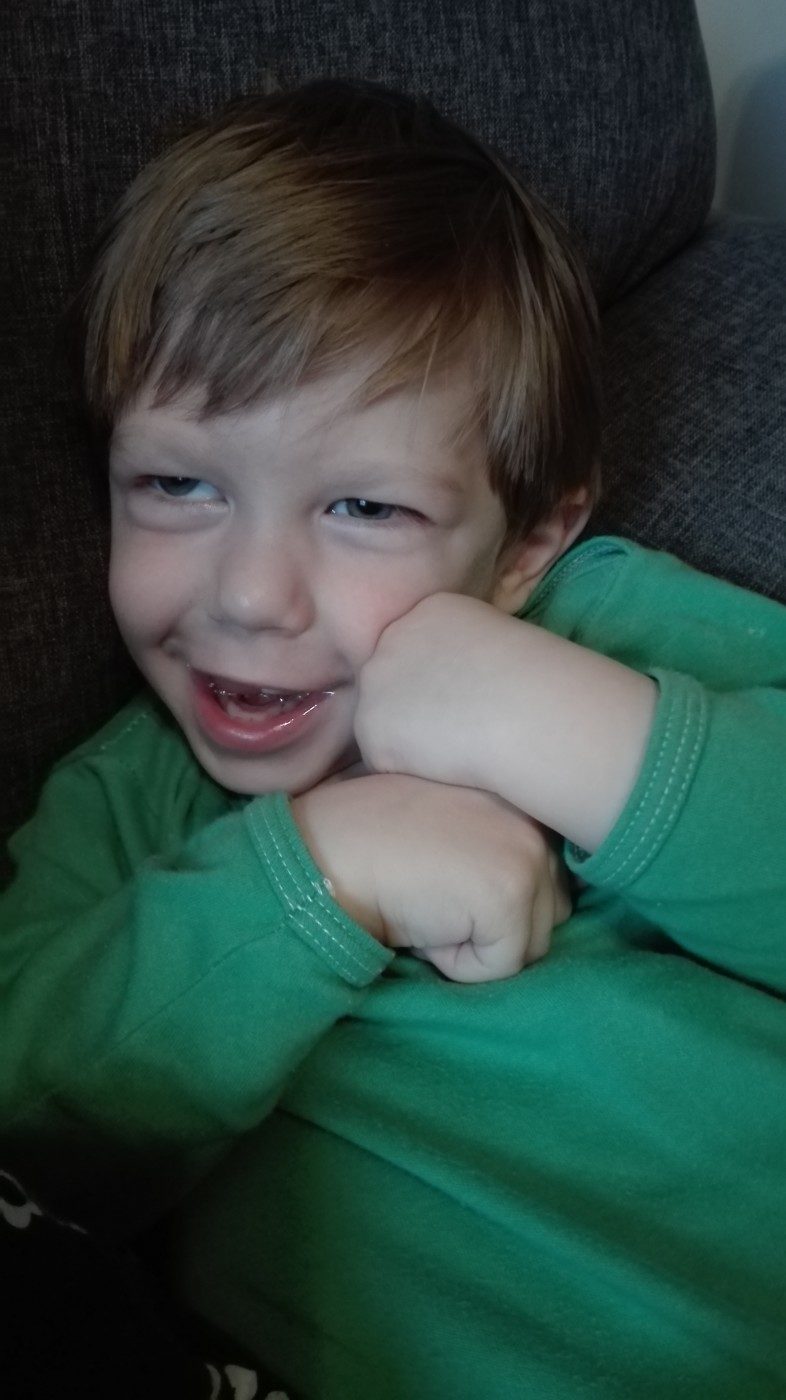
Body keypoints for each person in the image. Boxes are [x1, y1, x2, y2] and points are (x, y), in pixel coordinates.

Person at [1, 77, 785, 1400]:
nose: (252, 595)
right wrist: (322, 874)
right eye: (177, 484)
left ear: (526, 545)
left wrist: (575, 732)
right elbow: (33, 1138)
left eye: (365, 507)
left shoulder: (606, 627)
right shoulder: (125, 805)